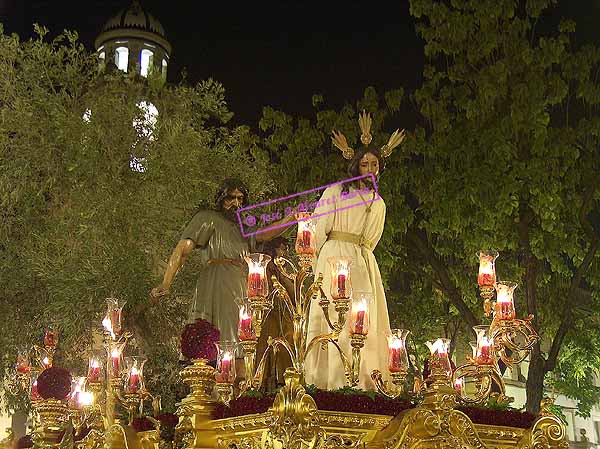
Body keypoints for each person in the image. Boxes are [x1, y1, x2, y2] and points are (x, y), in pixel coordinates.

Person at [305, 111, 405, 390]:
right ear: (356, 167)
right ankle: (325, 381)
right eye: (364, 163)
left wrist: (361, 257)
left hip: (361, 263)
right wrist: (313, 266)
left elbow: (371, 240)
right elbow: (317, 229)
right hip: (332, 257)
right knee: (327, 318)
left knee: (359, 320)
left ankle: (361, 380)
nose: (370, 168)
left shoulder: (379, 203)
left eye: (374, 163)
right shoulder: (336, 193)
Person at [151, 178, 296, 349]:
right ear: (221, 199)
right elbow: (182, 249)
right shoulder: (208, 218)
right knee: (209, 334)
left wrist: (291, 218)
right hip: (215, 280)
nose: (236, 203)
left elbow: (267, 234)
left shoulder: (243, 228)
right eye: (231, 198)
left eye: (240, 199)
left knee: (240, 332)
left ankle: (238, 370)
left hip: (240, 282)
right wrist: (166, 282)